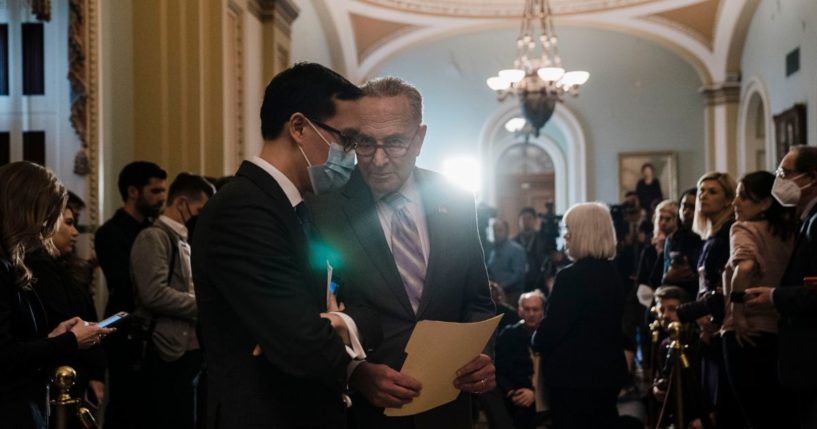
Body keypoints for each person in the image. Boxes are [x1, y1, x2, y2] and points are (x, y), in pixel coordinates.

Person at [192, 62, 381, 428]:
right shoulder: (244, 209)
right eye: (346, 139)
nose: (352, 155)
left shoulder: (295, 206)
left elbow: (365, 311)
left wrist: (338, 322)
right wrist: (324, 330)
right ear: (298, 127)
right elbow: (304, 346)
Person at [308, 76, 496, 428]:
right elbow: (311, 315)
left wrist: (482, 355)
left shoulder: (455, 199)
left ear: (420, 139)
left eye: (394, 143)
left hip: (448, 407)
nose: (378, 160)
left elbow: (477, 301)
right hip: (366, 413)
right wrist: (355, 372)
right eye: (365, 143)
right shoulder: (325, 209)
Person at [0, 161, 112, 429]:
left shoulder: (12, 262)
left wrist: (55, 337)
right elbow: (4, 356)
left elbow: (18, 340)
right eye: (49, 216)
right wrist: (70, 341)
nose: (49, 228)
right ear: (27, 212)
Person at [531, 202, 629, 429]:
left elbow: (554, 328)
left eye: (569, 229)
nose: (565, 236)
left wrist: (536, 339)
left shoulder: (570, 277)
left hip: (573, 379)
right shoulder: (613, 273)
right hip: (607, 375)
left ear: (583, 233)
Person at [131, 173, 214, 429]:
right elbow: (154, 293)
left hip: (189, 350)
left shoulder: (184, 238)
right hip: (166, 349)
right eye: (200, 209)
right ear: (181, 203)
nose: (202, 216)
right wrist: (206, 306)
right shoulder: (153, 237)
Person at [746, 145, 817, 428]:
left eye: (785, 173)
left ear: (811, 178)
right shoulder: (806, 219)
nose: (779, 181)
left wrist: (774, 296)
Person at [720, 170, 796, 428]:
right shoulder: (790, 231)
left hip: (746, 332)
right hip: (781, 331)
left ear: (765, 203)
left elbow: (746, 267)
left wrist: (737, 313)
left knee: (751, 417)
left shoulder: (743, 228)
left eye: (743, 197)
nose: (735, 203)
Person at [94, 160, 167, 429]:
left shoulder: (155, 230)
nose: (162, 198)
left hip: (151, 330)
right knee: (126, 404)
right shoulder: (109, 233)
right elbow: (126, 283)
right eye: (155, 191)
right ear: (133, 192)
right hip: (123, 327)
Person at [27, 192, 107, 409]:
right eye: (69, 223)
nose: (74, 233)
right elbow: (66, 318)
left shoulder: (61, 265)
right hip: (63, 368)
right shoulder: (40, 267)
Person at [678, 171, 738, 428]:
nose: (703, 196)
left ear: (728, 200)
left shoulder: (727, 235)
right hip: (706, 322)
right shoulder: (710, 237)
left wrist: (709, 316)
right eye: (702, 190)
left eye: (712, 191)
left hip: (719, 323)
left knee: (721, 404)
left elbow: (724, 283)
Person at [496, 290, 547, 429]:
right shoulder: (509, 335)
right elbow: (499, 369)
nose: (531, 314)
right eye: (526, 309)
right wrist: (512, 391)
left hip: (545, 393)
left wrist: (536, 393)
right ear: (519, 311)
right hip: (518, 394)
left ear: (543, 311)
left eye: (535, 309)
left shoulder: (549, 335)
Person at [663, 188, 703, 299]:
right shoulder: (672, 239)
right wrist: (669, 277)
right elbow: (664, 274)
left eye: (692, 207)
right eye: (684, 206)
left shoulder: (706, 238)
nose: (686, 212)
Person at [488, 219, 527, 306]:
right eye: (494, 230)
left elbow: (518, 275)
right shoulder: (492, 251)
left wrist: (500, 287)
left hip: (513, 295)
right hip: (496, 295)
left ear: (506, 231)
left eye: (499, 230)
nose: (496, 233)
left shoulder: (516, 250)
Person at [514, 207, 547, 293]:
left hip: (539, 280)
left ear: (535, 220)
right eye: (523, 218)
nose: (526, 221)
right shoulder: (513, 241)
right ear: (519, 221)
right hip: (519, 282)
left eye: (529, 218)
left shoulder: (543, 239)